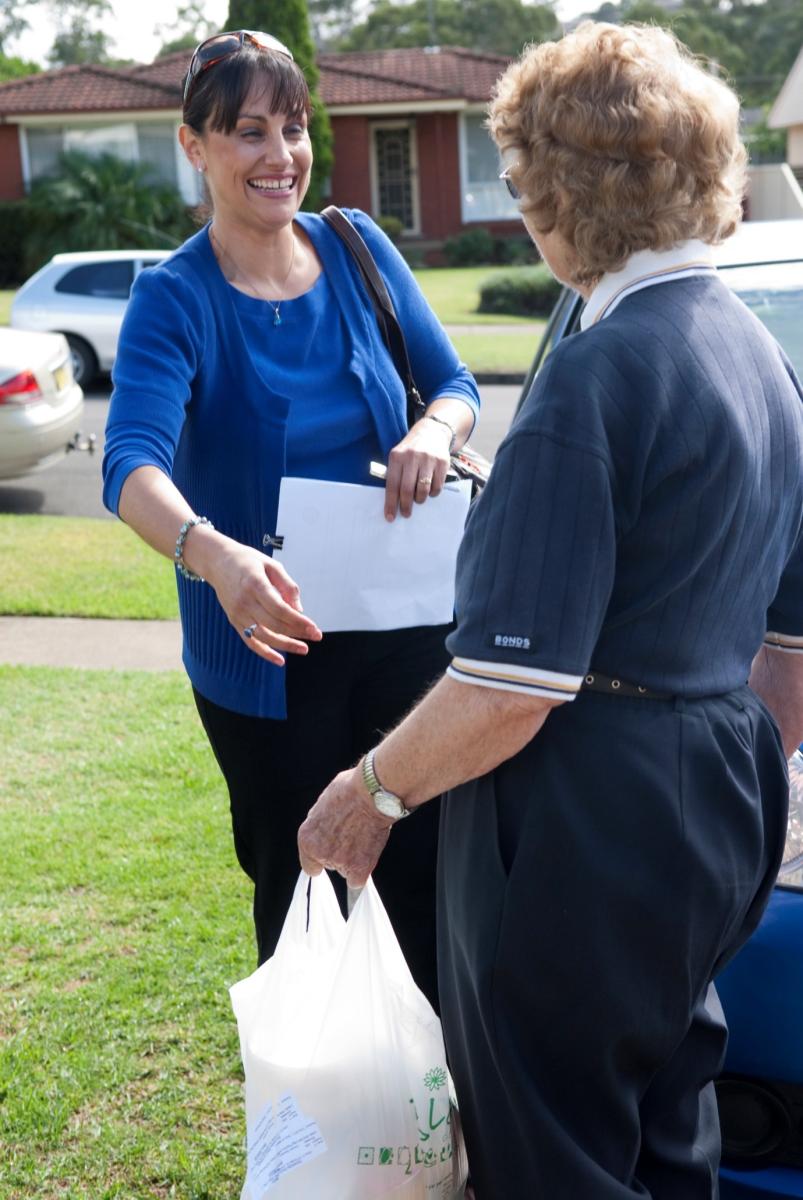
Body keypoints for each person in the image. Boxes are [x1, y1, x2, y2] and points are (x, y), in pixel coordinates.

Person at [299, 21, 803, 1199]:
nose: (521, 205)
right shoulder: (759, 359)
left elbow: (508, 689)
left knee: (550, 1148)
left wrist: (365, 789)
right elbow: (789, 644)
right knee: (668, 1117)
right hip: (718, 785)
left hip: (585, 803)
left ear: (563, 192)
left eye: (522, 182)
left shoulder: (596, 371)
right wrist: (717, 779)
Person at [102, 29, 479, 1011]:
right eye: (249, 132)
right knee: (306, 898)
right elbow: (128, 462)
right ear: (194, 145)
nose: (282, 156)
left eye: (296, 127)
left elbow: (453, 383)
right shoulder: (173, 299)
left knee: (428, 890)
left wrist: (435, 431)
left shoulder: (358, 245)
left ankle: (434, 1128)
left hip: (407, 643)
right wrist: (212, 556)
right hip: (267, 658)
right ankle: (319, 1132)